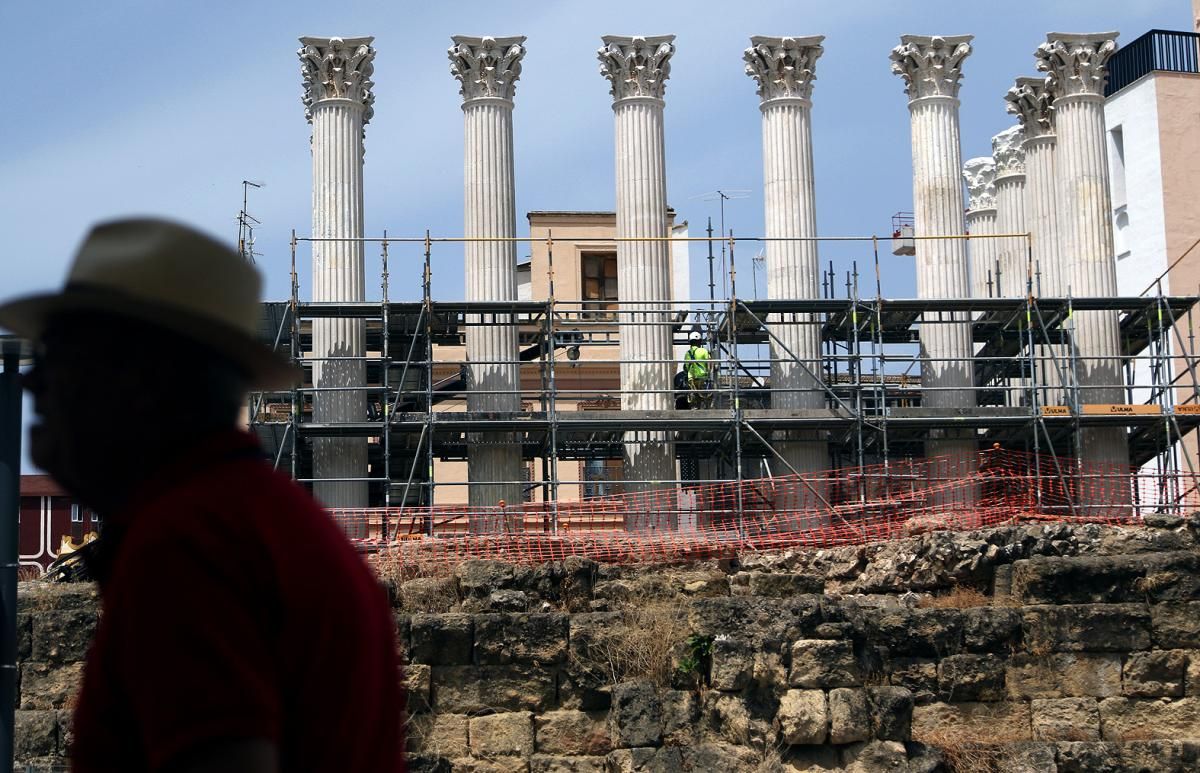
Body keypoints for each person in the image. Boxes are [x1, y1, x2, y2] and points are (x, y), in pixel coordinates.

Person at [0, 219, 405, 772]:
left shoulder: (190, 546)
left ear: (140, 376)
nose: (30, 381)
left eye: (61, 354)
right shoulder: (265, 524)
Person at [684, 330, 712, 408]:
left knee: (694, 396)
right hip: (702, 377)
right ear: (699, 341)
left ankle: (694, 407)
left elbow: (686, 367)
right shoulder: (703, 351)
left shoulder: (687, 353)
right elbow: (710, 364)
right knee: (704, 397)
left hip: (691, 379)